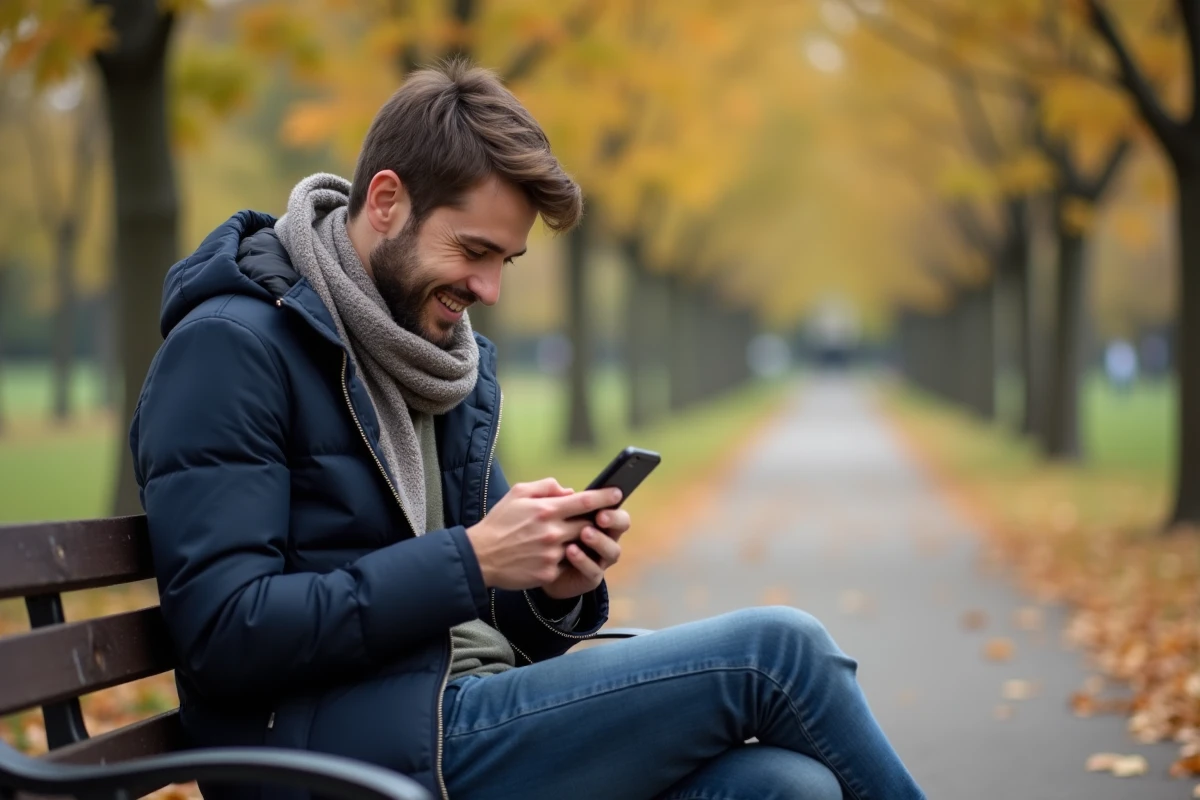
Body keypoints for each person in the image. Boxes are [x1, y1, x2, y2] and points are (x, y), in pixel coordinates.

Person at [131, 59, 925, 800]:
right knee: (779, 651)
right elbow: (227, 637)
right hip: (343, 752)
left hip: (452, 707)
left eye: (505, 261)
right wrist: (473, 559)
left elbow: (478, 613)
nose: (489, 289)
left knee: (789, 788)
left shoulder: (429, 358)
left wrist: (550, 585)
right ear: (385, 201)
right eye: (474, 251)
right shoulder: (231, 351)